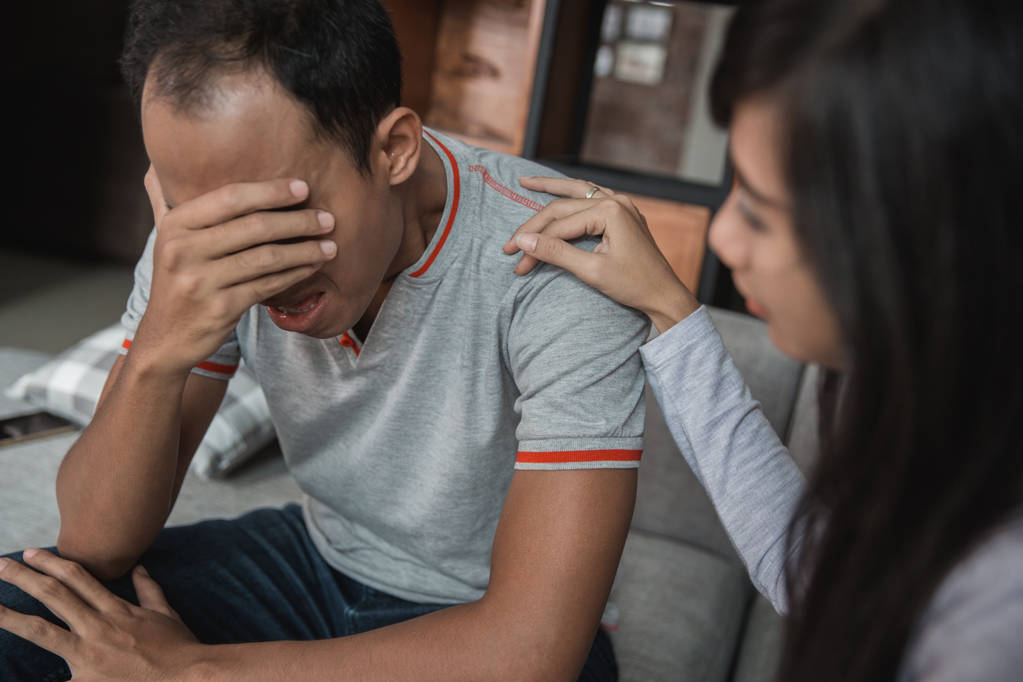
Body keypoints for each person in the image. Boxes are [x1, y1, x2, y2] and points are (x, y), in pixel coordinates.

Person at [0, 1, 647, 679]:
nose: (253, 262)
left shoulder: (563, 259)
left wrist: (195, 672)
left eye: (280, 215)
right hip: (314, 561)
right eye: (205, 218)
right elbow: (96, 545)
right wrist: (161, 349)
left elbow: (532, 649)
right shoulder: (199, 247)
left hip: (484, 620)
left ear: (393, 149)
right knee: (26, 617)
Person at [504, 0, 1023, 679]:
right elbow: (819, 567)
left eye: (758, 209)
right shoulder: (937, 422)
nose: (721, 237)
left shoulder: (994, 607)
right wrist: (668, 307)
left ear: (909, 237)